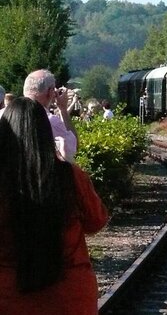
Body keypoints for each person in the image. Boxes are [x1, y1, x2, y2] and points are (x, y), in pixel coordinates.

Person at [0, 97, 108, 314]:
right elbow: (96, 221)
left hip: (10, 296)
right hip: (71, 296)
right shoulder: (71, 175)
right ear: (45, 132)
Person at [23, 69, 78, 163]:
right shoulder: (51, 121)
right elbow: (73, 146)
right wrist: (63, 110)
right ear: (50, 92)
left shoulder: (5, 114)